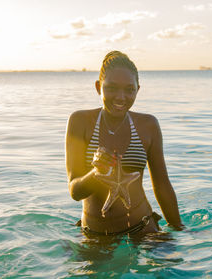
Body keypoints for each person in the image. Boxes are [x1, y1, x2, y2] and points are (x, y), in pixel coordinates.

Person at [65, 51, 183, 237]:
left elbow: (162, 185)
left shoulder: (148, 125)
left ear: (138, 89)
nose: (121, 97)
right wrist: (97, 173)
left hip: (143, 230)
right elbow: (75, 191)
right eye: (111, 88)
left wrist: (179, 229)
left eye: (129, 89)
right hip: (94, 234)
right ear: (98, 87)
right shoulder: (80, 121)